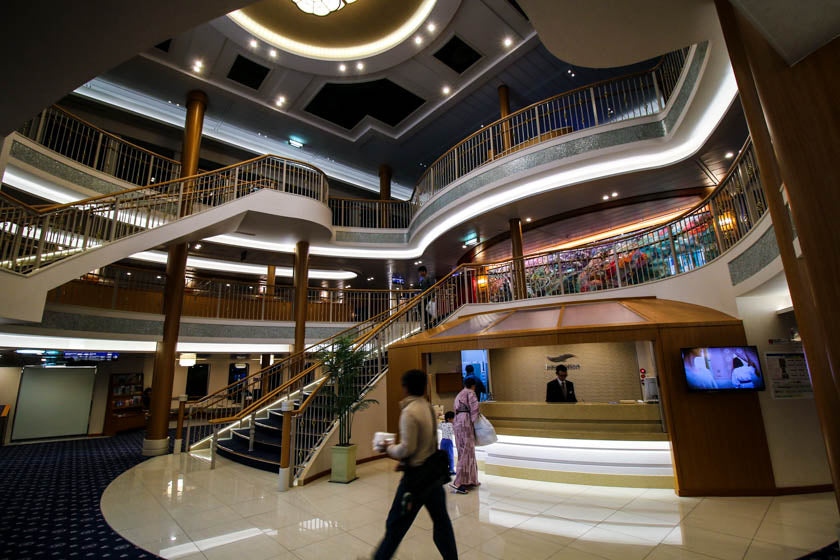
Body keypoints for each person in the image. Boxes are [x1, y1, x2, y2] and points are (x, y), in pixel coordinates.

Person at [373, 369, 457, 560]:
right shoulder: (427, 407)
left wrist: (388, 448)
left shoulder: (409, 412)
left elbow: (406, 449)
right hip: (433, 477)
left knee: (395, 525)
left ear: (406, 387)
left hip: (415, 481)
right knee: (442, 525)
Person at [451, 377, 479, 494]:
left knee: (462, 451)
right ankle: (459, 482)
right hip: (466, 422)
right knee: (468, 453)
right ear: (473, 385)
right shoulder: (471, 393)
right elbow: (475, 409)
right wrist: (476, 424)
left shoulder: (459, 394)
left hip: (457, 422)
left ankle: (470, 480)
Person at [440, 411, 456, 475]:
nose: (454, 420)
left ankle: (443, 469)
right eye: (453, 418)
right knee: (450, 456)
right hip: (449, 442)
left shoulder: (442, 424)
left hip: (442, 441)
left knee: (443, 456)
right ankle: (451, 470)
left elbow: (439, 425)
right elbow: (454, 432)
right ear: (449, 419)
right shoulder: (451, 425)